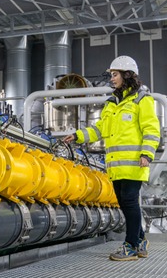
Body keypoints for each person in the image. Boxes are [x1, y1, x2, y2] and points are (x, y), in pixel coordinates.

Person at [63, 55, 160, 261]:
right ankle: (140, 240)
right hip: (116, 166)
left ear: (127, 75)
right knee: (125, 204)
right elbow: (99, 130)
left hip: (135, 163)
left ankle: (131, 246)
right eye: (112, 75)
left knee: (130, 202)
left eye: (115, 75)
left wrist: (147, 153)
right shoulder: (111, 103)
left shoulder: (142, 99)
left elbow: (151, 128)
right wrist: (78, 135)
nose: (112, 79)